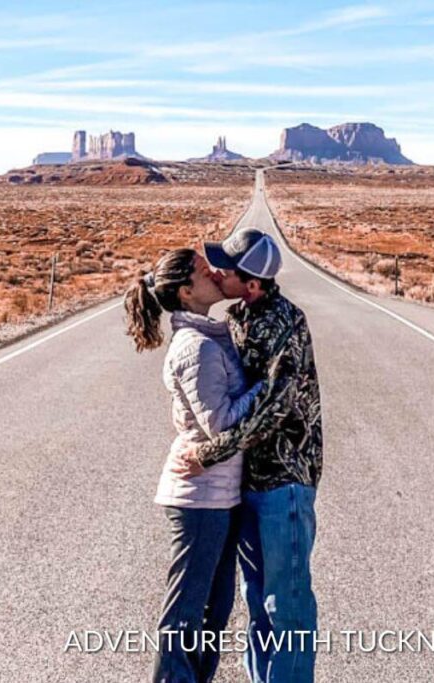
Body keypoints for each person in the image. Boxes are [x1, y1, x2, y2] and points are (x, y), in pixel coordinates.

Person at [175, 228, 324, 683]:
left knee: (288, 603)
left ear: (254, 283)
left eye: (227, 267)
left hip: (284, 483)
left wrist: (210, 453)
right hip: (248, 483)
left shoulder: (284, 322)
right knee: (257, 600)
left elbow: (274, 408)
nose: (218, 271)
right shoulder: (239, 316)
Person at [124, 247, 265, 683]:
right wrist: (268, 388)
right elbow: (220, 421)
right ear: (187, 292)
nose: (217, 273)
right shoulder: (196, 347)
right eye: (206, 272)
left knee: (213, 612)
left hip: (218, 494)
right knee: (187, 615)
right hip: (199, 498)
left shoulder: (212, 336)